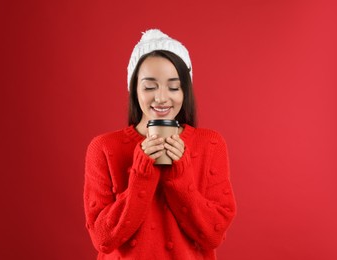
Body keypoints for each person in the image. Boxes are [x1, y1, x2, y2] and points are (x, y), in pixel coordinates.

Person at [84, 29, 236, 260]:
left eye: (174, 87)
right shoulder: (104, 147)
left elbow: (213, 235)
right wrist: (141, 174)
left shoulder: (211, 144)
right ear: (134, 89)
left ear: (185, 91)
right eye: (150, 86)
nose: (162, 97)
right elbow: (103, 240)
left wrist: (180, 176)